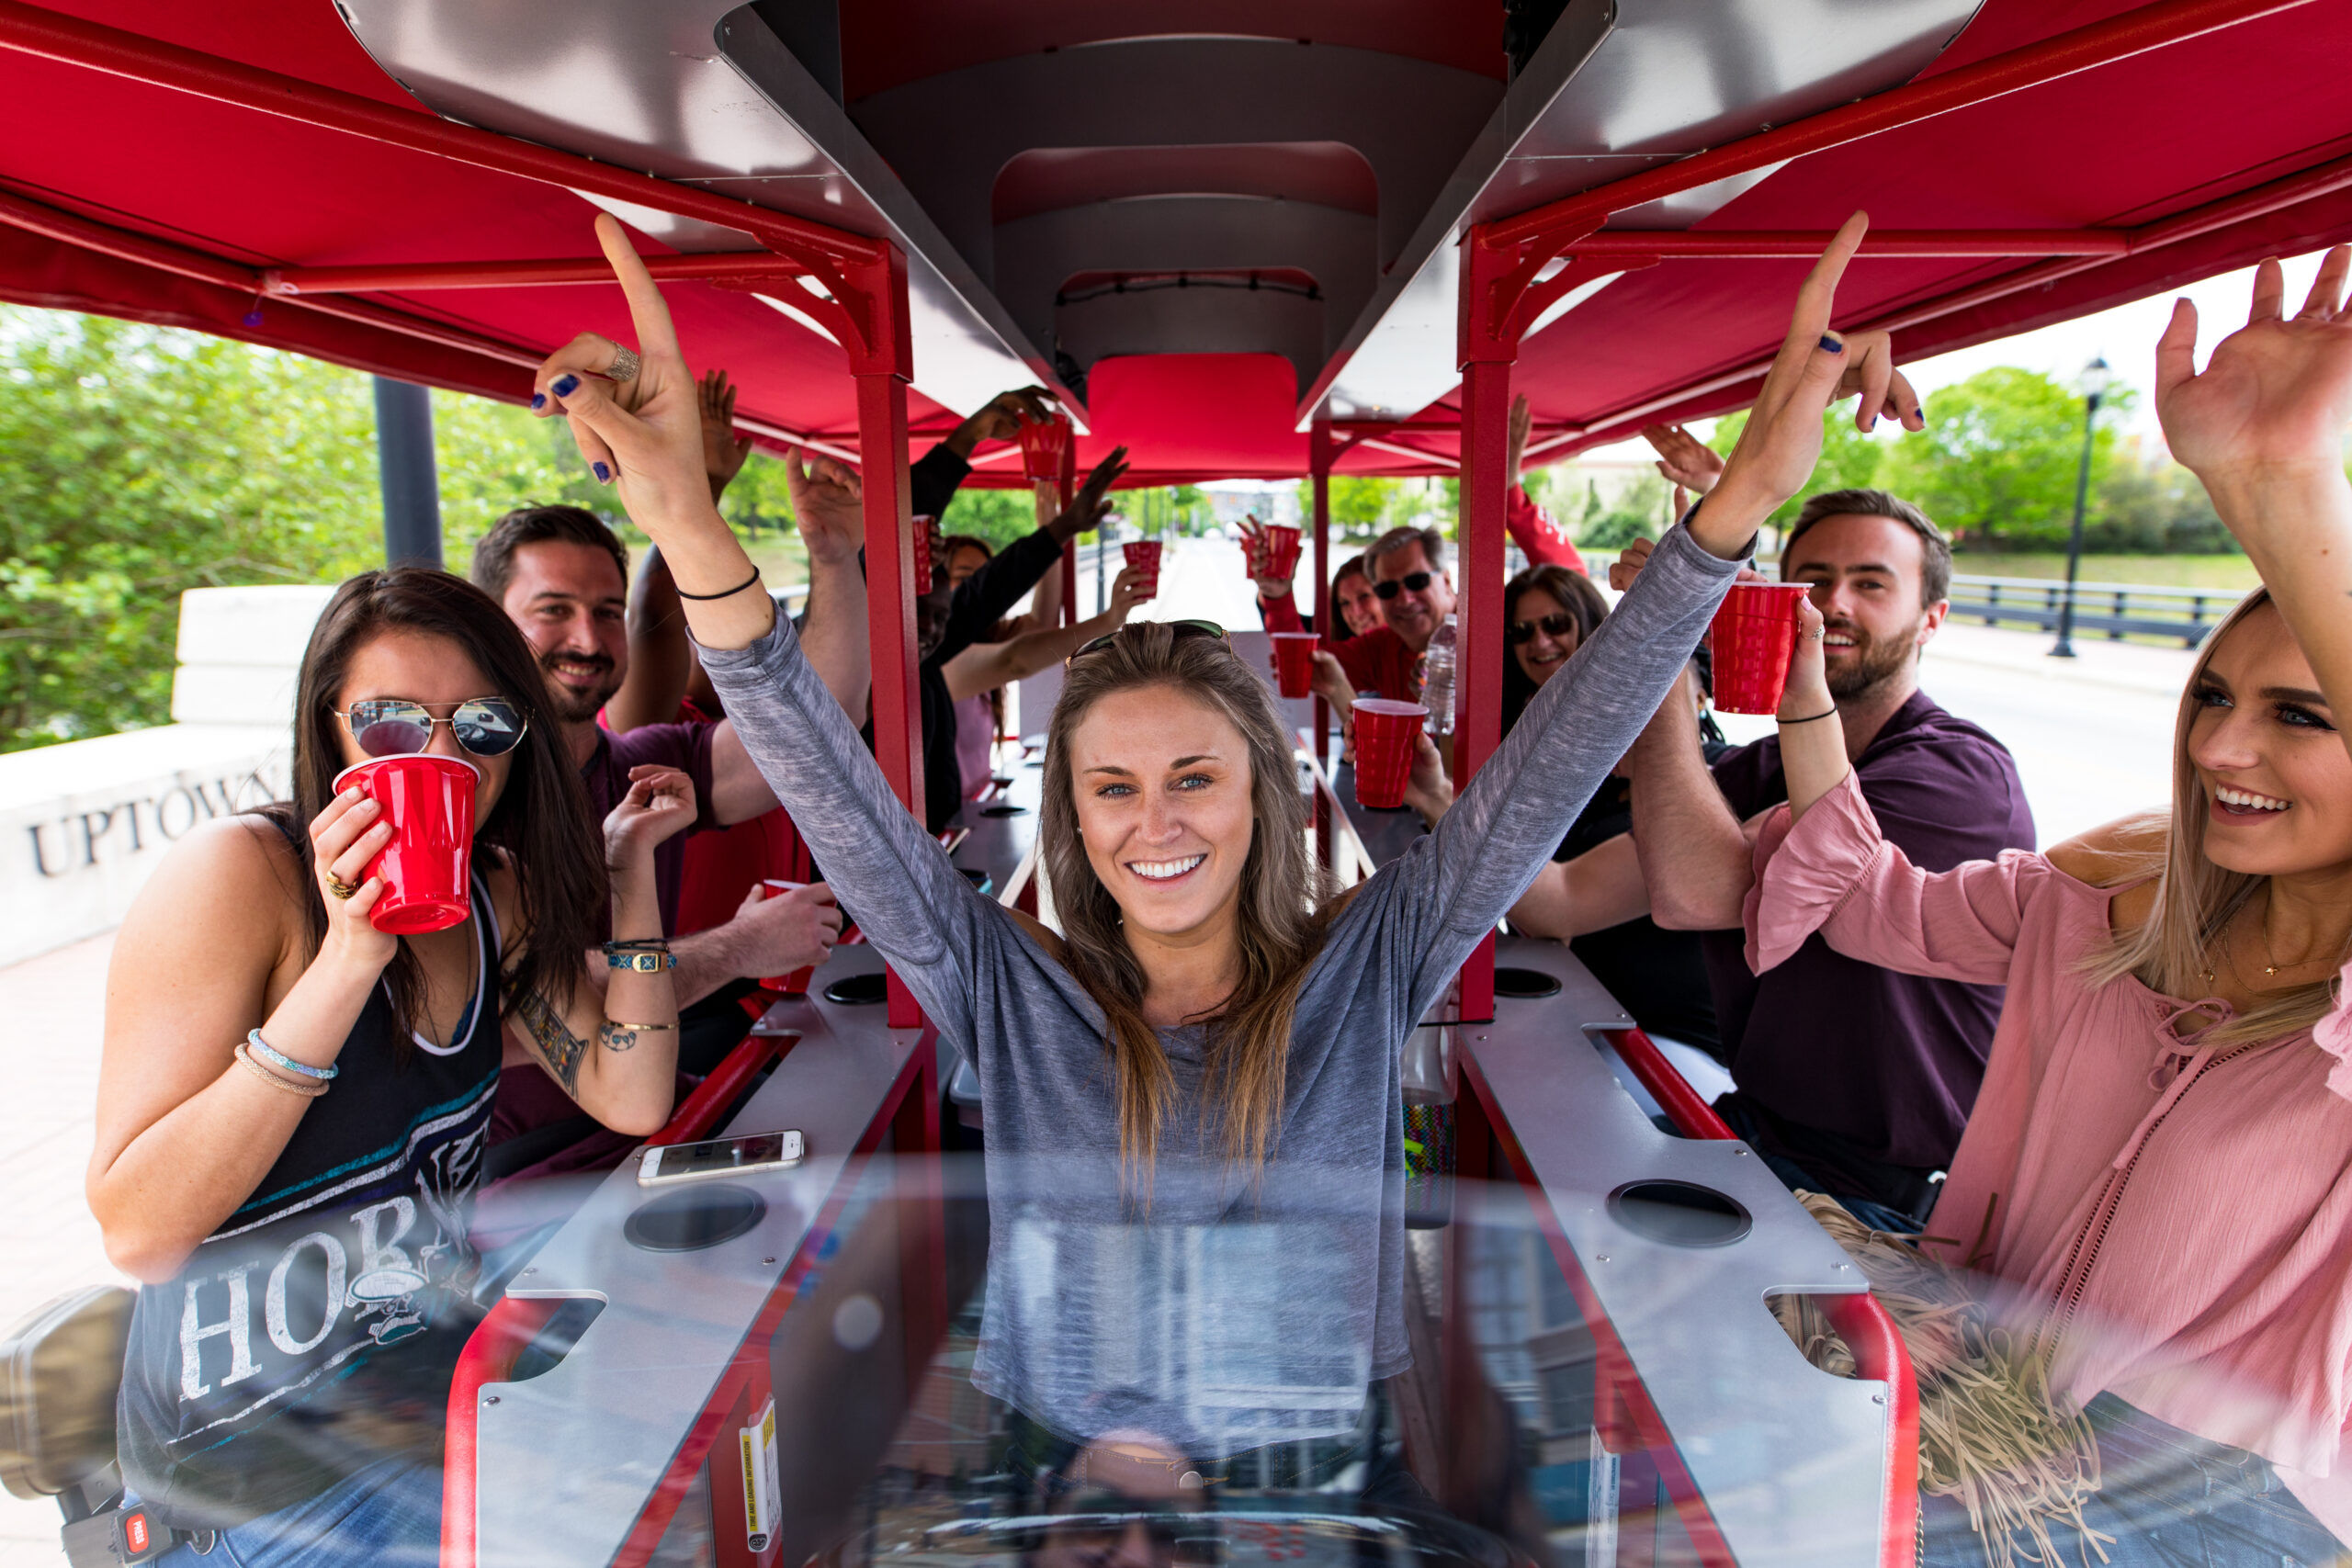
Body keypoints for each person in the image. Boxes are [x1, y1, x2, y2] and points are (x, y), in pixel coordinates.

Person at [525, 209, 1909, 1461]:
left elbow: (1550, 763)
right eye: (1112, 787)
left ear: (1265, 791)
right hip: (1053, 1476)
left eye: (1195, 776)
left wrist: (1733, 514)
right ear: (1070, 815)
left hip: (1315, 1476)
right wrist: (693, 535)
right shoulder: (1009, 986)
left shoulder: (1365, 970)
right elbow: (825, 778)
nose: (1154, 823)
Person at [1747, 250, 2352, 1565]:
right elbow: (1859, 898)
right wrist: (1801, 680)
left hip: (2221, 1515)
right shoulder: (2107, 902)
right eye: (2211, 699)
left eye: (2300, 714)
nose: (2221, 751)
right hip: (1986, 1418)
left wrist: (2279, 488)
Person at [94, 569, 688, 1562]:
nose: (443, 754)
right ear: (328, 729)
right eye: (391, 723)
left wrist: (628, 880)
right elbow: (139, 1232)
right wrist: (350, 956)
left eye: (483, 725)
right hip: (257, 1477)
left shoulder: (497, 891)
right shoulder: (238, 877)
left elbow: (629, 1094)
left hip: (428, 1416)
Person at [1569, 480, 2033, 1230]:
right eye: (1814, 580)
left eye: (1871, 583)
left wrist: (1663, 642)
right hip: (1761, 1140)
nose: (1834, 603)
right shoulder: (1763, 766)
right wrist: (1436, 806)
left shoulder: (1955, 773)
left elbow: (1694, 892)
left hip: (1888, 1200)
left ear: (1932, 620)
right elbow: (1567, 894)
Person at [470, 504, 842, 1166]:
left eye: (607, 612)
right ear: (490, 623)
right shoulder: (463, 805)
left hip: (665, 1120)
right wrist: (740, 944)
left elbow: (816, 733)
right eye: (553, 609)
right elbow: (521, 1005)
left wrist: (837, 556)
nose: (586, 638)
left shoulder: (640, 763)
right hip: (529, 1168)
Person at [1399, 564, 1733, 1051]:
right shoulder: (1586, 777)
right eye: (1521, 631)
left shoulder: (1719, 788)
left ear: (1699, 700)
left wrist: (1436, 800)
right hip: (1579, 1018)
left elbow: (1556, 907)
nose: (1539, 643)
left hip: (1663, 1053)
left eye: (1556, 624)